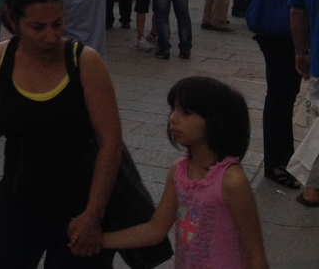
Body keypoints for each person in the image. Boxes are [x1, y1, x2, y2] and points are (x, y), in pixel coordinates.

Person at [0, 0, 121, 266]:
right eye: (38, 27)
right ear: (14, 22)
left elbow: (110, 143)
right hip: (17, 204)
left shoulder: (84, 62)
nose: (51, 36)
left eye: (57, 24)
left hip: (78, 210)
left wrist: (92, 216)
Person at [101, 76, 268, 268]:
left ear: (215, 121)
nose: (173, 118)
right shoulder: (179, 172)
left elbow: (256, 254)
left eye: (186, 112)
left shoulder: (231, 181)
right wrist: (100, 240)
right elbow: (155, 229)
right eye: (173, 109)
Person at [251, 0, 304, 188]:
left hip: (275, 35)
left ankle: (283, 156)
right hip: (280, 35)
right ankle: (276, 162)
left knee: (283, 97)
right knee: (281, 98)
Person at [289, 0, 319, 205]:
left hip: (317, 59)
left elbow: (296, 14)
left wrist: (301, 51)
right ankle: (312, 188)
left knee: (317, 125)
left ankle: (311, 187)